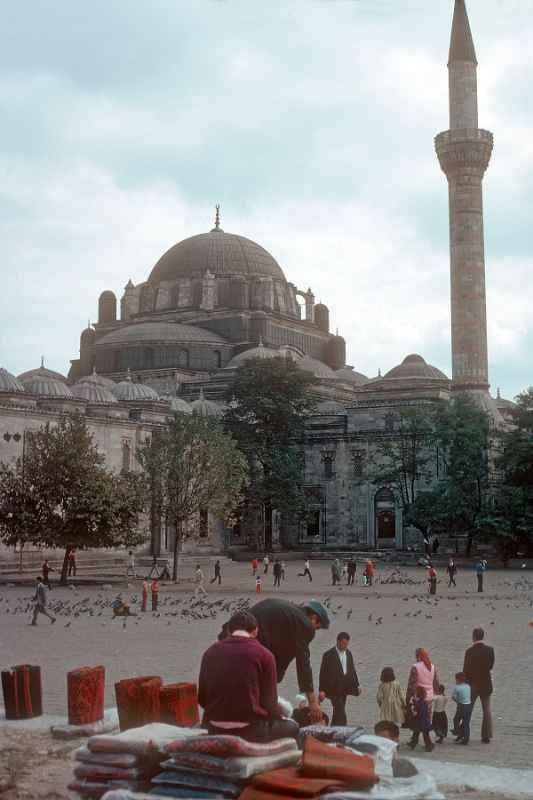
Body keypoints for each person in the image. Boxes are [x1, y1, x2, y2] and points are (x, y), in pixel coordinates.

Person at [224, 598, 330, 724]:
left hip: (231, 638)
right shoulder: (305, 624)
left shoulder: (290, 613)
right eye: (317, 628)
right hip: (249, 646)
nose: (314, 632)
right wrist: (313, 702)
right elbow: (303, 664)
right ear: (313, 618)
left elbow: (281, 652)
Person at [199, 610, 298, 743]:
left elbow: (202, 699)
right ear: (256, 631)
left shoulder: (209, 653)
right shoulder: (265, 655)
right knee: (293, 727)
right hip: (250, 731)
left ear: (229, 630)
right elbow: (270, 704)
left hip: (212, 728)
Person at [319, 631, 361, 726]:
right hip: (333, 688)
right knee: (340, 711)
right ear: (338, 641)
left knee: (338, 711)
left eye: (347, 644)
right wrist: (321, 690)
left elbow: (352, 670)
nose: (346, 646)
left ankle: (333, 729)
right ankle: (343, 730)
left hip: (345, 687)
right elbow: (323, 673)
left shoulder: (349, 653)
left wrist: (357, 685)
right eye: (344, 643)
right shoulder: (328, 655)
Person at [463, 627, 495, 743]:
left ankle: (465, 734)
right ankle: (486, 735)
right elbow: (490, 666)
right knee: (486, 710)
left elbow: (465, 670)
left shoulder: (469, 652)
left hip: (472, 684)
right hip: (486, 683)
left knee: (468, 709)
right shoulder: (490, 650)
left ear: (474, 637)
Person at [406, 648, 440, 731]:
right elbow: (435, 682)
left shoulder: (415, 667)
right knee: (426, 717)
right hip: (430, 696)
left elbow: (412, 684)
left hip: (419, 696)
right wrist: (437, 693)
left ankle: (425, 740)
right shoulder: (432, 666)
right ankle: (415, 739)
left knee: (418, 718)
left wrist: (408, 697)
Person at [407, 686, 433, 752]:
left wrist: (412, 710)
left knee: (419, 733)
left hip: (420, 721)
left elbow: (416, 713)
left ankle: (428, 746)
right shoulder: (424, 702)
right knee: (420, 733)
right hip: (425, 720)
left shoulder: (418, 704)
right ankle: (414, 743)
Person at [451, 672, 472, 745]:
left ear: (458, 680)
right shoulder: (468, 686)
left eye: (456, 680)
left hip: (461, 706)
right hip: (469, 706)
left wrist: (457, 701)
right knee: (466, 723)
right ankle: (466, 738)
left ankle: (458, 732)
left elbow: (453, 697)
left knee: (456, 719)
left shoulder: (457, 688)